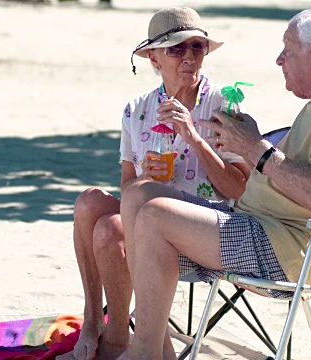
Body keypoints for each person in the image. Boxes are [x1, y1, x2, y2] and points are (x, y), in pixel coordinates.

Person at [117, 6, 311, 359]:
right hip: (263, 228)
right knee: (140, 194)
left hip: (294, 249)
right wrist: (246, 148)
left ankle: (144, 351)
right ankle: (156, 348)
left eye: (288, 50)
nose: (280, 60)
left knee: (155, 217)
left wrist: (256, 149)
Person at [56, 7, 251, 360]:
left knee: (110, 229)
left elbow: (239, 189)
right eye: (177, 49)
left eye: (197, 47)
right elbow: (128, 186)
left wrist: (194, 138)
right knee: (90, 205)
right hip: (145, 219)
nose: (189, 57)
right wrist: (147, 179)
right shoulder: (138, 110)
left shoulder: (224, 104)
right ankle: (93, 325)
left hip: (204, 225)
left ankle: (129, 341)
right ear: (153, 58)